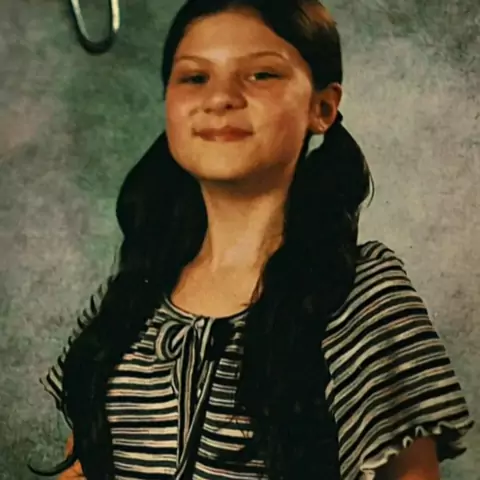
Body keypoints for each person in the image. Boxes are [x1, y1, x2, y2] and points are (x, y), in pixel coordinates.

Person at [30, 0, 474, 479]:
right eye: (195, 77)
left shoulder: (360, 289)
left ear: (323, 108)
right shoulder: (127, 297)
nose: (220, 97)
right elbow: (80, 465)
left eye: (261, 74)